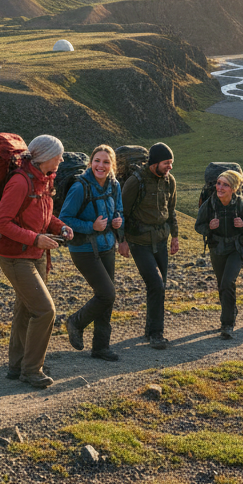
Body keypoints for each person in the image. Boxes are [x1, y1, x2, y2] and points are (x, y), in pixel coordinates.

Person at [0, 134, 74, 388]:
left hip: (34, 254)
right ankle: (32, 370)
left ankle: (17, 365)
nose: (61, 160)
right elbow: (1, 222)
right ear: (46, 157)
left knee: (26, 310)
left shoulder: (44, 180)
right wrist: (36, 239)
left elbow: (45, 217)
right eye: (58, 155)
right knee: (45, 310)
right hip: (16, 257)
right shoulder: (20, 182)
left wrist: (60, 227)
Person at [59, 144, 124, 361]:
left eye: (106, 162)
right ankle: (75, 322)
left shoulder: (114, 185)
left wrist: (118, 220)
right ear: (91, 163)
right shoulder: (80, 187)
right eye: (97, 161)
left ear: (112, 165)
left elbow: (119, 210)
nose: (101, 165)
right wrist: (91, 227)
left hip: (107, 247)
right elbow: (65, 218)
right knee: (107, 293)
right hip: (84, 249)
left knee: (107, 298)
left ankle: (101, 347)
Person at [120, 142, 179, 349]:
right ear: (154, 163)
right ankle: (156, 334)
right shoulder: (135, 182)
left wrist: (175, 236)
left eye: (171, 163)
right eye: (166, 163)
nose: (170, 167)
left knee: (159, 287)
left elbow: (171, 211)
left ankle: (149, 329)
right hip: (139, 242)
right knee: (156, 284)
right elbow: (123, 213)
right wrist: (123, 241)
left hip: (161, 241)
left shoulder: (169, 181)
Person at [194, 169, 243, 339]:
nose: (220, 188)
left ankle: (227, 324)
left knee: (228, 282)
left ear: (234, 189)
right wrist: (209, 227)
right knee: (222, 285)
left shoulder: (241, 203)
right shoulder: (209, 204)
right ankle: (231, 310)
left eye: (225, 185)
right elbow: (198, 226)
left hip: (237, 248)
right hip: (217, 248)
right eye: (219, 183)